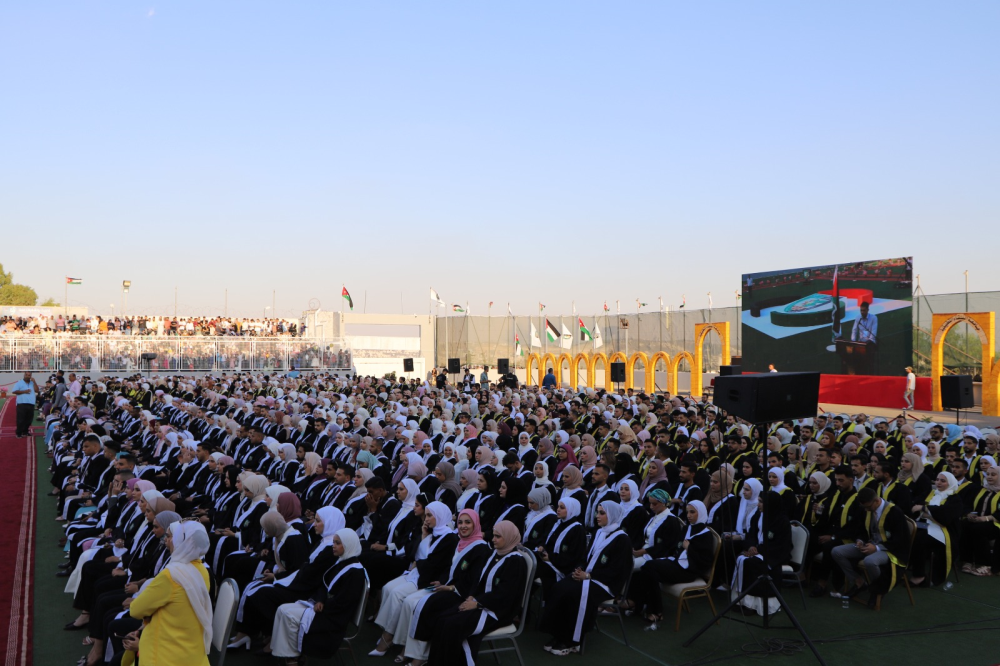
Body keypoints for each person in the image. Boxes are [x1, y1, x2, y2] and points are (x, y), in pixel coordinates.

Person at [418, 521, 528, 666]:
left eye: (498, 536)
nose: (493, 539)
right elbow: (479, 579)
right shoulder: (495, 553)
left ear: (508, 537)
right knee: (442, 619)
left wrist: (476, 604)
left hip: (497, 610)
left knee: (453, 625)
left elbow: (505, 594)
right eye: (493, 535)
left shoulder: (516, 562)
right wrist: (471, 596)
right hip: (480, 601)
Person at [540, 500, 632, 655]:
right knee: (560, 587)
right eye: (597, 512)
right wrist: (579, 569)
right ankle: (558, 634)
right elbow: (585, 557)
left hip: (605, 584)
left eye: (602, 513)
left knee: (573, 594)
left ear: (612, 516)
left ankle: (573, 640)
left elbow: (616, 570)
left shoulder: (623, 540)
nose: (597, 516)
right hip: (587, 576)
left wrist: (589, 575)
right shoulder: (598, 532)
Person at [270, 528, 367, 665]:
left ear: (348, 545)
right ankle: (286, 654)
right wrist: (320, 600)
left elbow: (344, 602)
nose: (333, 546)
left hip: (333, 617)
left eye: (338, 543)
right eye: (333, 542)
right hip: (324, 607)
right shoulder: (341, 561)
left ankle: (292, 658)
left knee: (288, 614)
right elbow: (324, 585)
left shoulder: (355, 572)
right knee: (282, 609)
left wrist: (323, 604)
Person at [127, 522, 213, 666]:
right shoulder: (203, 571)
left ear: (180, 541)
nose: (169, 540)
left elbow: (135, 610)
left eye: (174, 537)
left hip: (164, 655)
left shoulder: (171, 575)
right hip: (193, 652)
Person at [831, 487, 910, 607]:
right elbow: (861, 529)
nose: (866, 510)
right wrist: (860, 541)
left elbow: (900, 540)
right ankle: (859, 582)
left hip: (889, 549)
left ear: (877, 501)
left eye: (868, 507)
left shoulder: (895, 512)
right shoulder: (866, 509)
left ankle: (878, 590)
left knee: (870, 561)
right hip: (869, 544)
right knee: (837, 551)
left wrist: (877, 548)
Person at [11, 370, 38, 438]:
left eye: (29, 375)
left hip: (31, 403)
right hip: (21, 403)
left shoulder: (32, 383)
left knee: (29, 419)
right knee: (21, 419)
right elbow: (14, 391)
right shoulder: (19, 383)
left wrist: (34, 382)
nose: (28, 376)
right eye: (26, 375)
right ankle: (19, 433)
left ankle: (25, 432)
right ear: (24, 375)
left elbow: (37, 390)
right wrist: (24, 391)